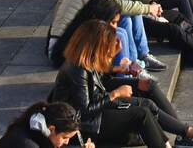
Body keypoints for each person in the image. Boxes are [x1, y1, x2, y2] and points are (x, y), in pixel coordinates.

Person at [48, 20, 172, 148]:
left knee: (146, 107)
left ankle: (174, 140)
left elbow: (102, 80)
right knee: (142, 115)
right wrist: (115, 94)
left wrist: (114, 57)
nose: (107, 51)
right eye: (106, 47)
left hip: (95, 114)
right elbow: (85, 112)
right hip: (85, 125)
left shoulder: (85, 62)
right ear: (95, 46)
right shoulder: (78, 69)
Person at [0, 101, 82, 148]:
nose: (66, 142)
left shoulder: (34, 129)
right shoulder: (26, 144)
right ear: (51, 129)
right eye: (64, 137)